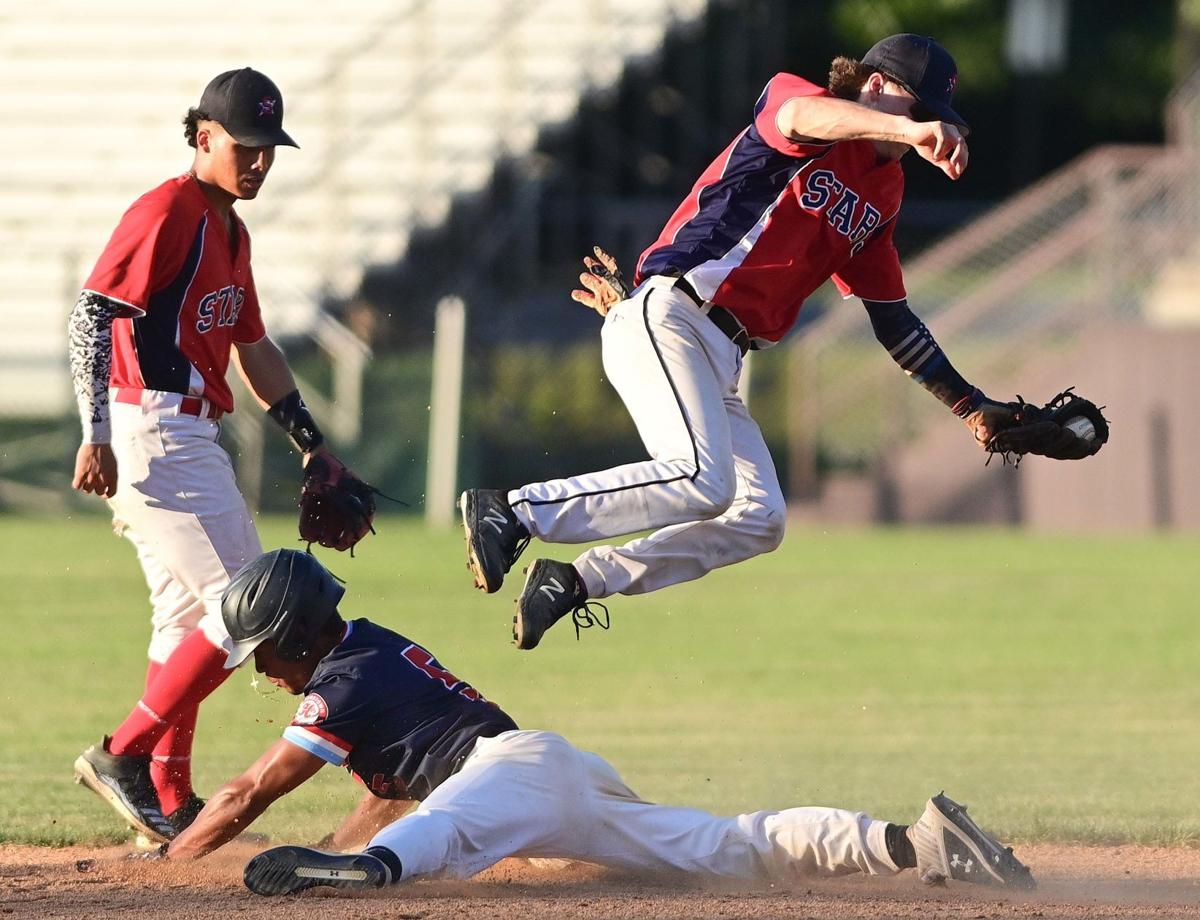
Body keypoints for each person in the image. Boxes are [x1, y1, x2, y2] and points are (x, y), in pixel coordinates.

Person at [459, 34, 1021, 650]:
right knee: (704, 479)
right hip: (674, 311)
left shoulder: (883, 192)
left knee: (761, 518)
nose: (928, 129)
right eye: (921, 111)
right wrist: (914, 134)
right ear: (878, 86)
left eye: (936, 121)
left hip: (720, 355)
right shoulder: (801, 100)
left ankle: (574, 582)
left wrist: (969, 406)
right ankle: (513, 511)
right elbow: (802, 117)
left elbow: (892, 318)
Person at [158, 548, 1034, 898]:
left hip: (509, 778)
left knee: (443, 834)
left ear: (299, 636)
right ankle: (912, 843)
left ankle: (373, 879)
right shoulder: (373, 650)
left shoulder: (337, 686)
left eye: (263, 651)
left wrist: (168, 867)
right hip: (548, 771)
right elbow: (391, 794)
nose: (261, 671)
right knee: (724, 851)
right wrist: (341, 848)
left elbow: (242, 793)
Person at [68, 68, 365, 844]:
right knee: (256, 605)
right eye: (247, 144)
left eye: (271, 148)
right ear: (204, 136)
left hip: (186, 433)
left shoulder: (231, 231)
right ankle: (125, 755)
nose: (260, 161)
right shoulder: (169, 210)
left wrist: (311, 443)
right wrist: (93, 430)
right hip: (153, 430)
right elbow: (92, 317)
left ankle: (163, 804)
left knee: (186, 621)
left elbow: (252, 345)